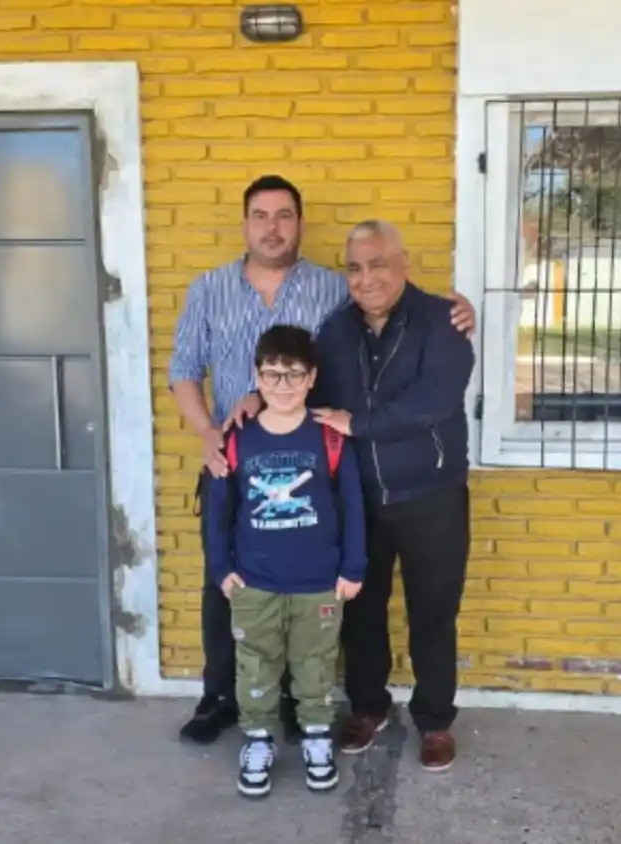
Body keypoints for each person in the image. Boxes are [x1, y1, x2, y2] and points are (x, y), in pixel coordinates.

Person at [168, 176, 475, 746]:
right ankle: (235, 699)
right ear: (245, 223)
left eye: (284, 215)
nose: (272, 227)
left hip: (368, 481)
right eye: (260, 215)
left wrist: (460, 309)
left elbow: (425, 383)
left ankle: (385, 714)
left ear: (300, 224)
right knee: (246, 586)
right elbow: (206, 370)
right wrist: (226, 420)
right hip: (263, 465)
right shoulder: (223, 292)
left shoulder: (365, 301)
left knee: (379, 601)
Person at [310, 220, 475, 773]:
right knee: (361, 611)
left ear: (404, 263)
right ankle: (368, 707)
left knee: (433, 613)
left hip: (432, 494)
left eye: (379, 264)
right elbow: (309, 395)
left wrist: (359, 423)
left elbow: (435, 400)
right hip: (359, 499)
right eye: (355, 268)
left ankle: (435, 720)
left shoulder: (442, 321)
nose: (367, 278)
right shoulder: (335, 331)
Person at [204, 325, 367, 798]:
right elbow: (218, 509)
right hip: (255, 581)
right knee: (255, 664)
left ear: (311, 378)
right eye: (273, 374)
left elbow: (353, 504)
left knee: (315, 663)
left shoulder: (330, 438)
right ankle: (258, 739)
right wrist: (222, 570)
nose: (283, 385)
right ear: (257, 377)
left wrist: (353, 567)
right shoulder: (237, 439)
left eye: (294, 374)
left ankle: (316, 736)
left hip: (319, 581)